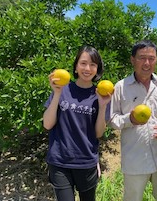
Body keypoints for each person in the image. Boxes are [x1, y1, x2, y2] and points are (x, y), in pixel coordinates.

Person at [43, 46, 111, 201]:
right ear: (76, 66)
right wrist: (57, 94)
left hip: (86, 161)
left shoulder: (100, 95)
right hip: (60, 161)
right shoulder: (62, 88)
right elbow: (47, 124)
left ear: (97, 69)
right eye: (83, 63)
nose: (87, 68)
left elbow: (99, 133)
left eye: (93, 65)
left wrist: (102, 106)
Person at [110, 40, 157, 201]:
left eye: (151, 58)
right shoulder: (120, 87)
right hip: (135, 159)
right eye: (142, 58)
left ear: (156, 60)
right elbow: (112, 119)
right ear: (133, 60)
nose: (147, 63)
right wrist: (130, 119)